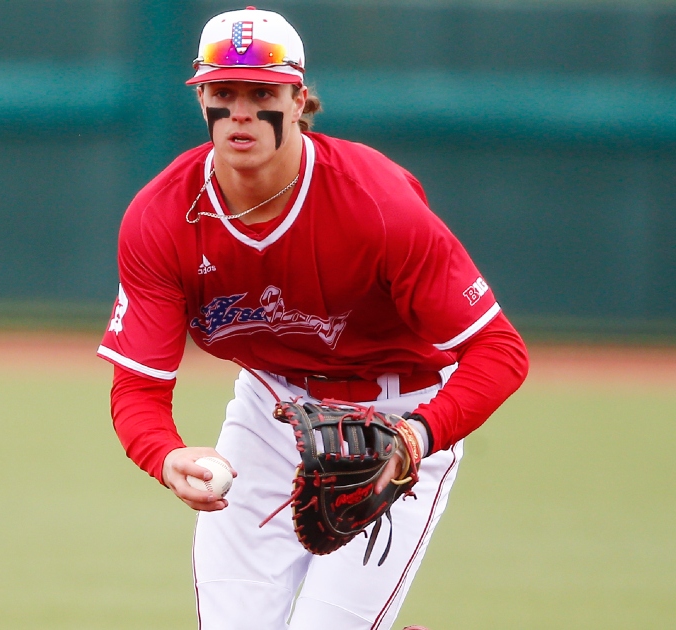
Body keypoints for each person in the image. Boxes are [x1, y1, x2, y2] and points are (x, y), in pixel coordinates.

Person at [97, 6, 529, 629]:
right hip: (271, 415)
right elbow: (138, 386)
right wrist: (165, 456)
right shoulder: (162, 218)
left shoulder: (376, 203)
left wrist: (416, 440)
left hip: (397, 422)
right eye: (222, 92)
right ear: (202, 102)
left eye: (261, 93)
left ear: (299, 100)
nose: (240, 111)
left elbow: (500, 352)